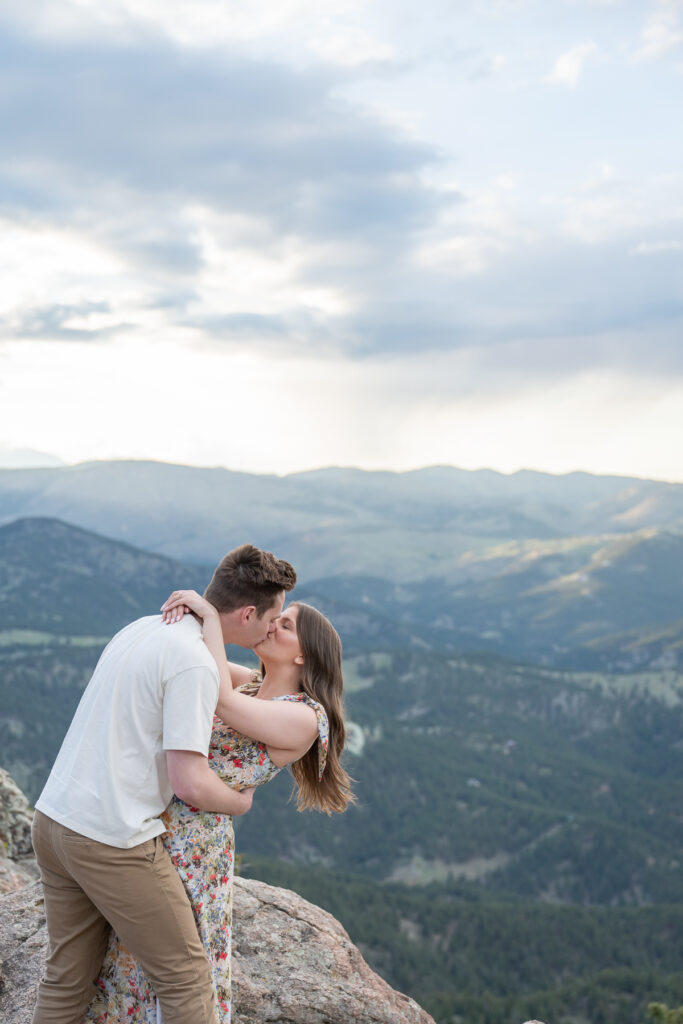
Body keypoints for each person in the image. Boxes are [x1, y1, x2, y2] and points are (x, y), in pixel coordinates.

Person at [31, 544, 297, 1024]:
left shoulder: (144, 627)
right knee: (187, 979)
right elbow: (190, 781)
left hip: (53, 819)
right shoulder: (193, 662)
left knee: (67, 977)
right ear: (250, 613)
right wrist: (240, 803)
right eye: (271, 619)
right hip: (112, 837)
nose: (270, 630)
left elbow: (239, 683)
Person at [83, 588, 354, 1024]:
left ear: (304, 656)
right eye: (275, 617)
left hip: (195, 847)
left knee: (177, 965)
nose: (272, 625)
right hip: (154, 824)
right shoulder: (250, 681)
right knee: (132, 953)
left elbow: (223, 702)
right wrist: (198, 614)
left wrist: (210, 615)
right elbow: (193, 660)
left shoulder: (305, 717)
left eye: (286, 625)